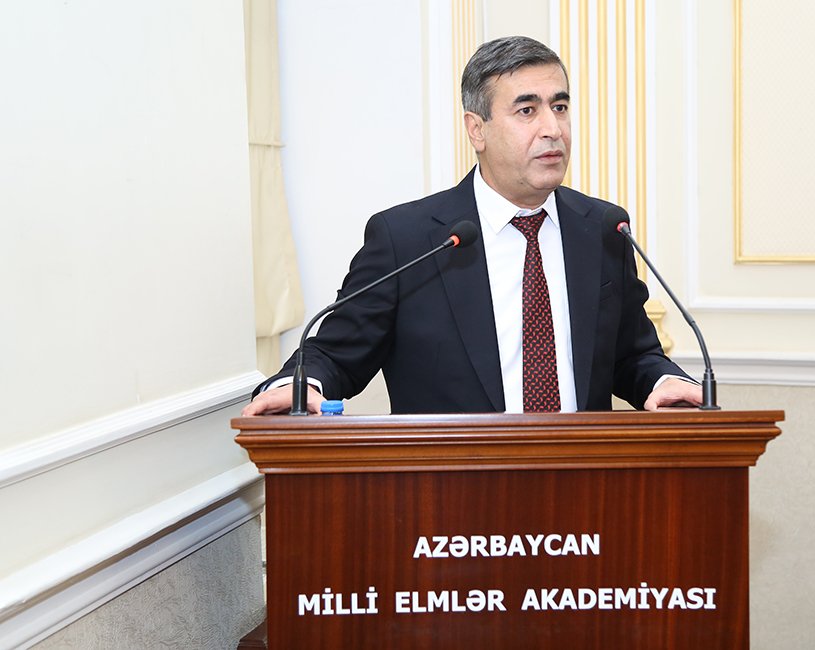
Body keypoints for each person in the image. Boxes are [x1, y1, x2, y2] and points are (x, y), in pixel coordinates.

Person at [243, 35, 701, 416]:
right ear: (476, 129)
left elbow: (631, 355)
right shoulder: (410, 239)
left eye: (560, 107)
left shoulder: (602, 228)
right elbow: (334, 353)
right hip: (449, 488)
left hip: (580, 485)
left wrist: (662, 380)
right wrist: (297, 386)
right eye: (527, 111)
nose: (553, 129)